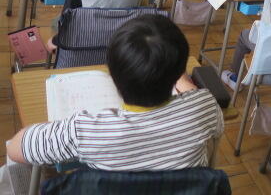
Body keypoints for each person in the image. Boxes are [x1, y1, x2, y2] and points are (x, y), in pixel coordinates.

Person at [8, 15, 223, 170]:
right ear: (178, 72)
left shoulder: (83, 131)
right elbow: (197, 100)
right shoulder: (204, 105)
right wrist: (178, 73)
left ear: (112, 73)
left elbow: (15, 149)